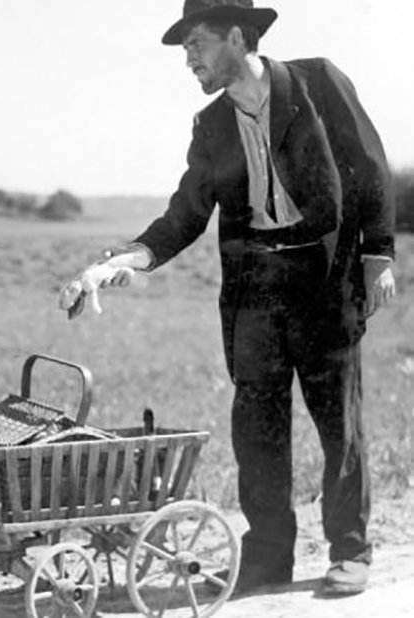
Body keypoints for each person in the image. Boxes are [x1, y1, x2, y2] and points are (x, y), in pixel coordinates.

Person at [59, 0, 395, 598]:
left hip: (325, 283)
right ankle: (268, 558)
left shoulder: (319, 82)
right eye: (186, 49)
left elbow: (369, 169)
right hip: (254, 292)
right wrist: (124, 261)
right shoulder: (211, 125)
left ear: (237, 38)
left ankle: (351, 550)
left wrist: (379, 258)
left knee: (339, 425)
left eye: (197, 44)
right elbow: (184, 214)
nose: (188, 59)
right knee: (256, 430)